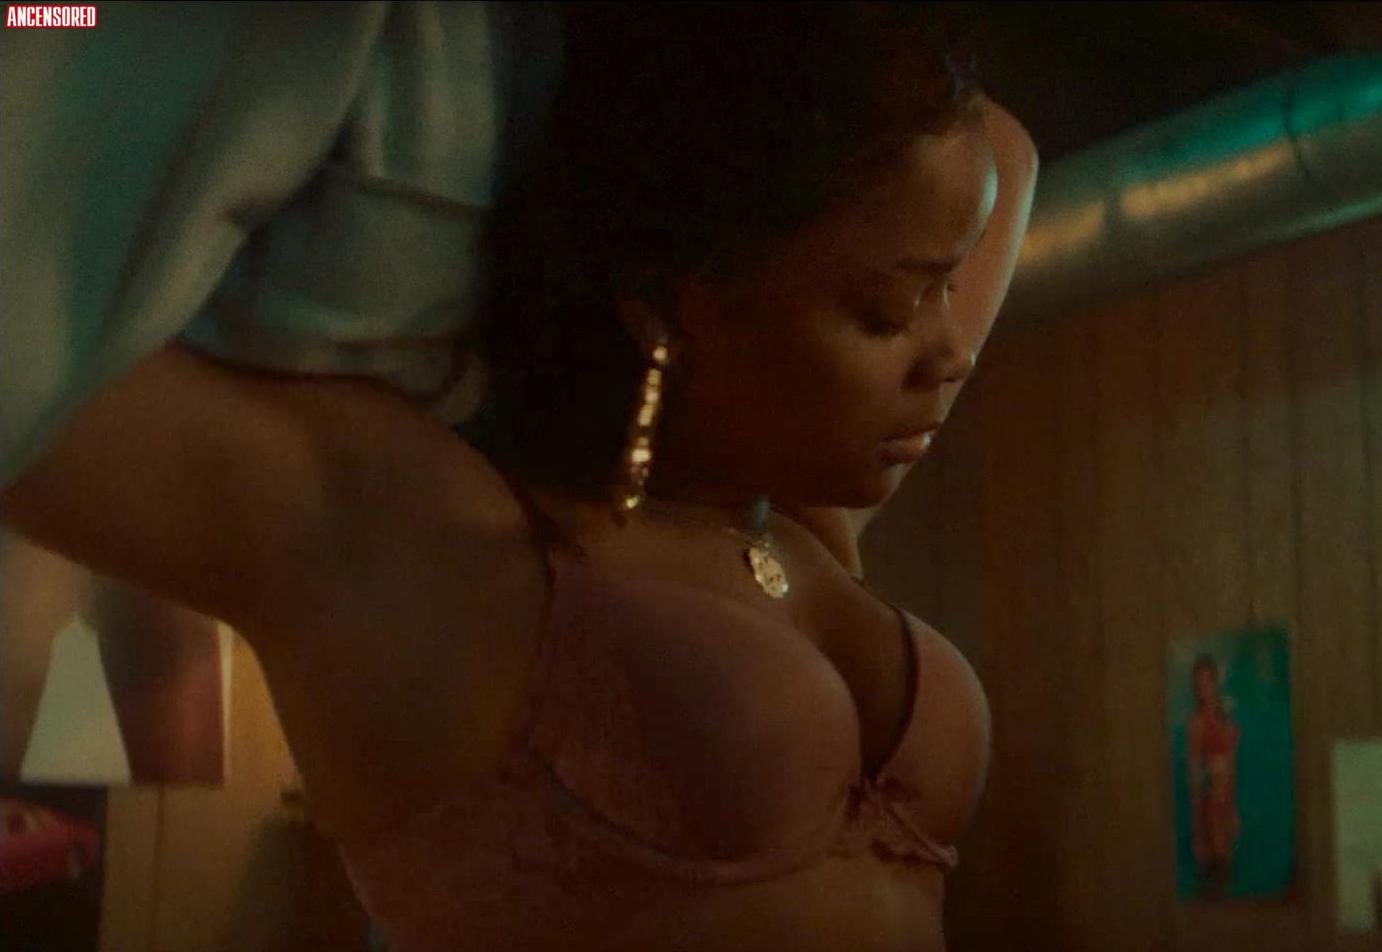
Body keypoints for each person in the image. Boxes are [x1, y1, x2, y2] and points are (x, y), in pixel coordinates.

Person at [1, 4, 1037, 950]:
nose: (950, 355)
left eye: (950, 285)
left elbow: (996, 149)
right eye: (888, 311)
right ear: (676, 297)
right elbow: (31, 368)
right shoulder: (433, 542)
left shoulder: (799, 506)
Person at [1187, 654, 1241, 898]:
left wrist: (1233, 809)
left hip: (1225, 799)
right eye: (1199, 683)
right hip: (1210, 805)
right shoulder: (1197, 723)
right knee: (1214, 873)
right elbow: (1194, 775)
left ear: (1215, 682)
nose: (1203, 687)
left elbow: (1231, 766)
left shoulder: (1225, 717)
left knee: (1226, 870)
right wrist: (1197, 833)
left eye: (1207, 681)